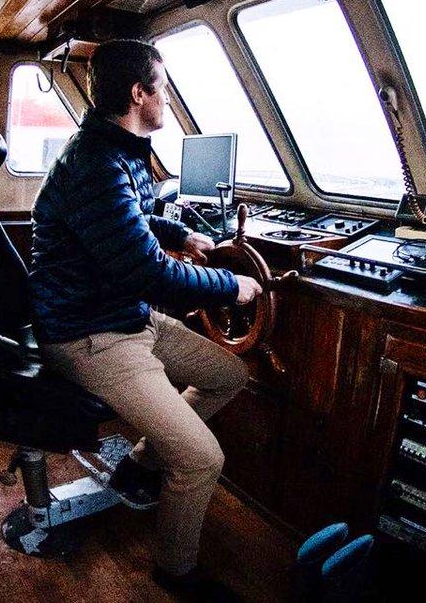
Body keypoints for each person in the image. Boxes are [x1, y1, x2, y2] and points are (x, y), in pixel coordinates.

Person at [29, 39, 263, 599]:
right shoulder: (95, 166)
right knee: (202, 459)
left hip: (126, 318)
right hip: (90, 335)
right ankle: (175, 570)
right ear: (140, 95)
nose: (168, 99)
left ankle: (138, 463)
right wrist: (234, 285)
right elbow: (151, 275)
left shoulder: (115, 151)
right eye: (164, 88)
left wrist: (180, 233)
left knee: (229, 375)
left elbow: (131, 222)